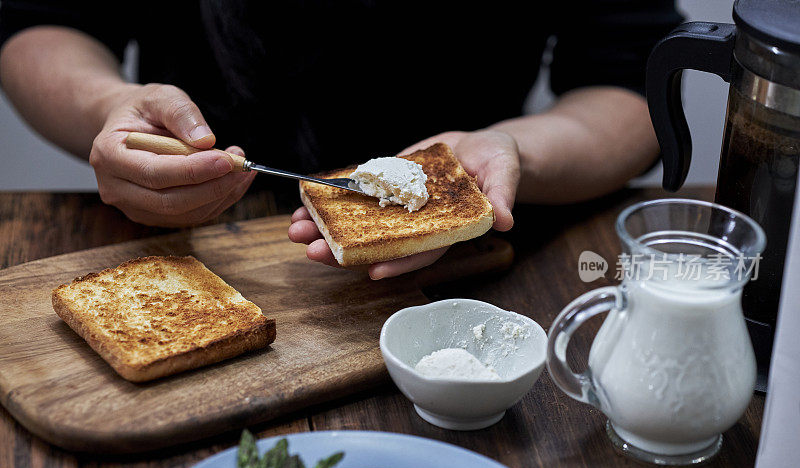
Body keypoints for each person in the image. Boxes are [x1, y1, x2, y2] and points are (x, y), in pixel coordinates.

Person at [0, 1, 681, 279]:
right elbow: (40, 23)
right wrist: (109, 105)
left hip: (478, 273)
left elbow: (630, 80)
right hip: (168, 238)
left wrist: (512, 151)